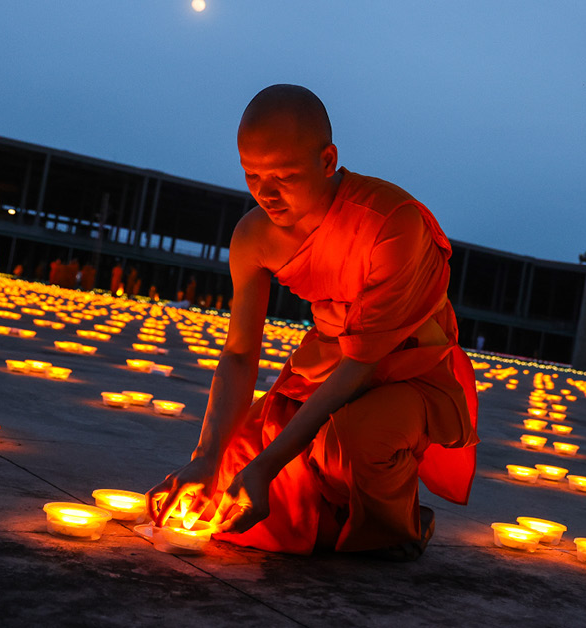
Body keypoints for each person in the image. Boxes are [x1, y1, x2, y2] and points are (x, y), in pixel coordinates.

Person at [147, 85, 478, 560]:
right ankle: (337, 514)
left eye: (284, 175)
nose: (266, 193)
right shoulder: (254, 236)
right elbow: (239, 353)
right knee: (226, 480)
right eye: (252, 175)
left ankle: (398, 526)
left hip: (406, 372)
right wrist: (205, 457)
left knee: (351, 444)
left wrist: (269, 465)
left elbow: (362, 363)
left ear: (327, 160)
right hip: (328, 363)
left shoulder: (390, 223)